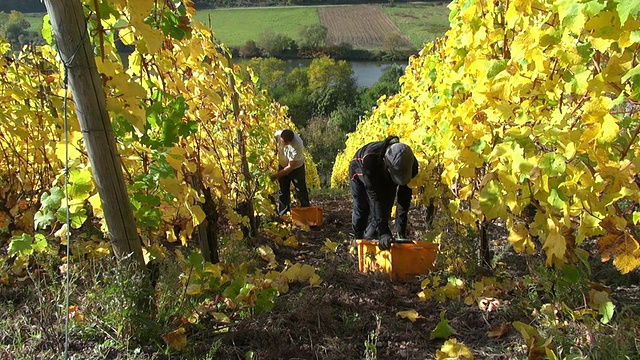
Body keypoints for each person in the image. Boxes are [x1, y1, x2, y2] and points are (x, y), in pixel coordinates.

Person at [349, 136, 418, 250]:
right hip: (360, 171)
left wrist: (401, 232)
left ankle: (372, 237)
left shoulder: (411, 165)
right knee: (362, 208)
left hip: (385, 174)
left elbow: (404, 198)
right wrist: (384, 231)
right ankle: (358, 240)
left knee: (385, 210)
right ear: (388, 167)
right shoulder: (370, 162)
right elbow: (375, 199)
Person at [270, 129, 310, 216]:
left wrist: (276, 176)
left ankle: (306, 213)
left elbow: (291, 166)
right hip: (282, 165)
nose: (284, 144)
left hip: (296, 169)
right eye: (283, 142)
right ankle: (284, 214)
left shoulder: (297, 145)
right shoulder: (277, 135)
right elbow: (274, 149)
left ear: (290, 141)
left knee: (300, 191)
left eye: (286, 143)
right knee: (283, 190)